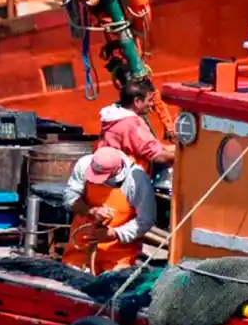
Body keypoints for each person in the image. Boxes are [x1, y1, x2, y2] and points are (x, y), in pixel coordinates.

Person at [62, 146, 156, 274]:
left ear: (116, 171)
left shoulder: (137, 181)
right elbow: (70, 197)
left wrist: (114, 233)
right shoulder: (84, 164)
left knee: (113, 283)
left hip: (119, 254)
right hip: (81, 247)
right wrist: (91, 211)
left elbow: (145, 220)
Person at [98, 80, 176, 173]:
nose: (151, 104)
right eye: (149, 100)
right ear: (137, 101)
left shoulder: (116, 117)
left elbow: (157, 147)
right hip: (127, 176)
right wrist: (186, 156)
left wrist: (183, 149)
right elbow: (157, 156)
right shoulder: (132, 124)